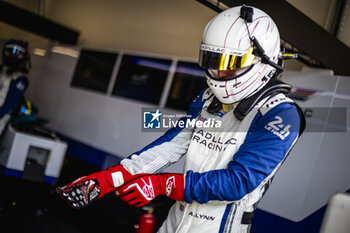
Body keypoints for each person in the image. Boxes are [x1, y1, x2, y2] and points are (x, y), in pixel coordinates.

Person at [57, 6, 305, 233]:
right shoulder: (209, 98)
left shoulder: (280, 114)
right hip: (176, 220)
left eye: (229, 64)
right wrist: (110, 178)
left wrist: (162, 185)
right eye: (213, 61)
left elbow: (238, 182)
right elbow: (173, 143)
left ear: (263, 61)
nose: (219, 73)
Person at [0, 39, 30, 135]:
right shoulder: (1, 70)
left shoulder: (19, 79)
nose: (13, 56)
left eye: (17, 54)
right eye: (10, 52)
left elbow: (9, 105)